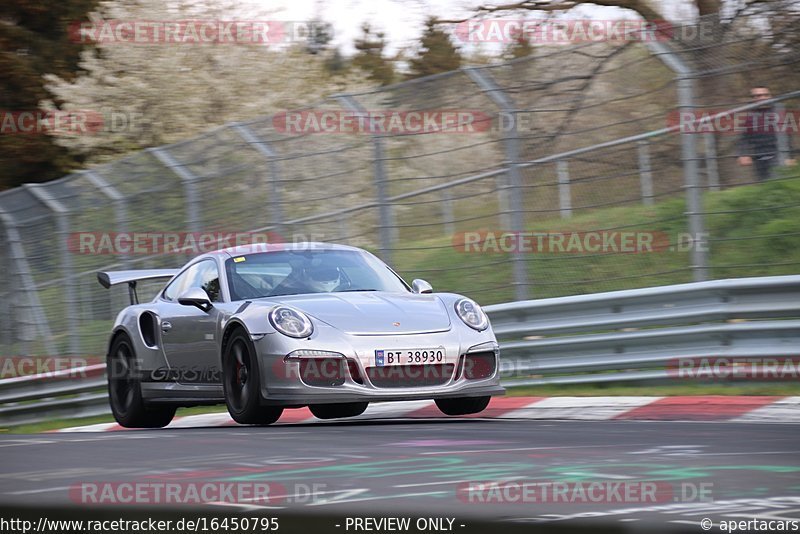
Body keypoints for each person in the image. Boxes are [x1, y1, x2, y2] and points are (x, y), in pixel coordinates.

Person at [737, 86, 796, 182]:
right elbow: (744, 137)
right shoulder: (749, 117)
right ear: (753, 99)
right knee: (764, 184)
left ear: (770, 96)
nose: (762, 98)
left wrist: (790, 157)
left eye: (766, 95)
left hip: (778, 155)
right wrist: (743, 154)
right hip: (759, 157)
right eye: (758, 96)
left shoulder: (779, 112)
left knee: (777, 181)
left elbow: (788, 136)